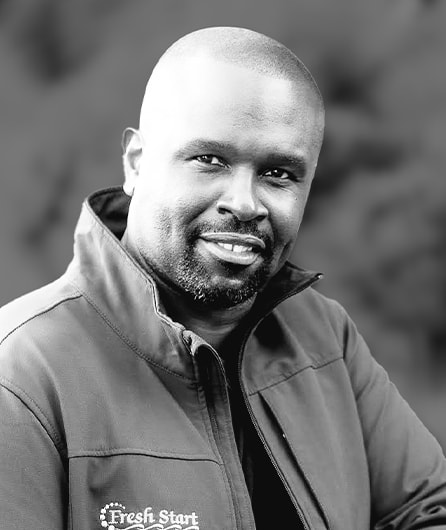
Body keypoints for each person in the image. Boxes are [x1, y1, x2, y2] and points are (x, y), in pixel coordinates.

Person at [0, 26, 445, 530]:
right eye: (209, 160)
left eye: (279, 173)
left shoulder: (324, 335)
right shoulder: (22, 371)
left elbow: (428, 509)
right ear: (136, 163)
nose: (245, 203)